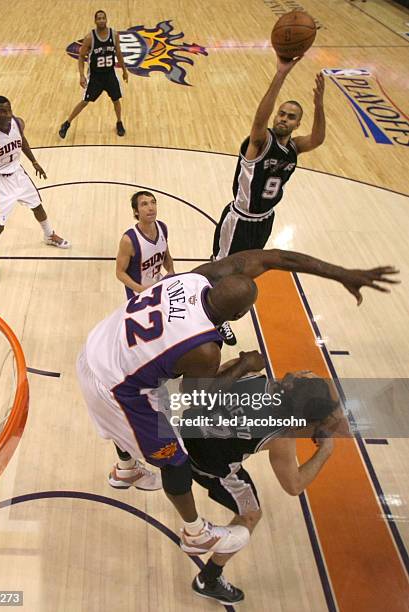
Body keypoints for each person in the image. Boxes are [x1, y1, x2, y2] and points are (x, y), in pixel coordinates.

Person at [76, 246, 398, 560]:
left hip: (101, 341)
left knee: (146, 414)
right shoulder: (204, 351)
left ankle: (126, 469)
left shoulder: (195, 279)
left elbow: (275, 257)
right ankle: (196, 533)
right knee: (173, 461)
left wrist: (341, 274)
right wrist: (245, 364)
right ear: (239, 315)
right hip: (115, 384)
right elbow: (197, 397)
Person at [181, 362, 345, 604]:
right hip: (210, 467)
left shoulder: (251, 376)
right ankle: (209, 578)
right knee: (251, 516)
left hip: (183, 432)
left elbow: (201, 387)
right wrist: (325, 451)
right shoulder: (281, 435)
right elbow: (294, 486)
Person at [213, 53, 325, 346]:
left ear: (297, 123)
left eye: (290, 116)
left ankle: (221, 315)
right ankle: (210, 319)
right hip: (239, 219)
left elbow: (318, 139)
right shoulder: (260, 142)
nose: (283, 119)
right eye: (282, 114)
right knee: (220, 270)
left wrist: (318, 104)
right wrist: (281, 74)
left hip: (264, 221)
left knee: (246, 272)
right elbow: (259, 119)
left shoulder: (294, 149)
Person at [0, 96, 70, 283]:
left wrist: (34, 161)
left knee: (38, 206)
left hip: (18, 173)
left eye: (9, 110)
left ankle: (49, 235)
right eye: (2, 111)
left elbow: (22, 140)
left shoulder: (18, 123)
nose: (7, 115)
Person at [59, 9, 129, 139]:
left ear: (106, 19)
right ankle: (66, 123)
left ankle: (119, 122)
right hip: (96, 76)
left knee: (116, 100)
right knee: (85, 101)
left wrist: (124, 70)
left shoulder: (114, 35)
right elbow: (81, 57)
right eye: (99, 18)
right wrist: (81, 75)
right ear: (95, 21)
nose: (101, 20)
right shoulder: (89, 38)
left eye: (103, 18)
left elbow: (118, 54)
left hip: (109, 74)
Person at [116, 191, 175, 299]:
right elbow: (120, 273)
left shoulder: (162, 227)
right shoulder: (129, 240)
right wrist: (141, 290)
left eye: (153, 202)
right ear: (136, 211)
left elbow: (166, 255)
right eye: (144, 204)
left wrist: (171, 270)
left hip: (158, 287)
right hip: (138, 294)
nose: (151, 207)